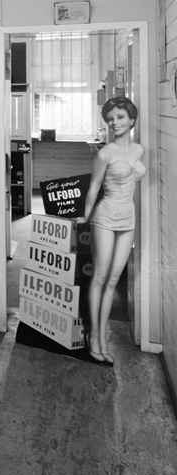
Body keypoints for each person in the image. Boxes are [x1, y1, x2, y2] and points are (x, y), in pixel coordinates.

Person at [76, 96, 145, 365]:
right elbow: (94, 187)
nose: (114, 123)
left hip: (127, 219)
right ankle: (95, 337)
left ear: (131, 120)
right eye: (110, 118)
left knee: (114, 282)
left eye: (120, 118)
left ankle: (103, 338)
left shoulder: (139, 150)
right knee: (100, 276)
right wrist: (86, 214)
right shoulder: (105, 153)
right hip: (105, 218)